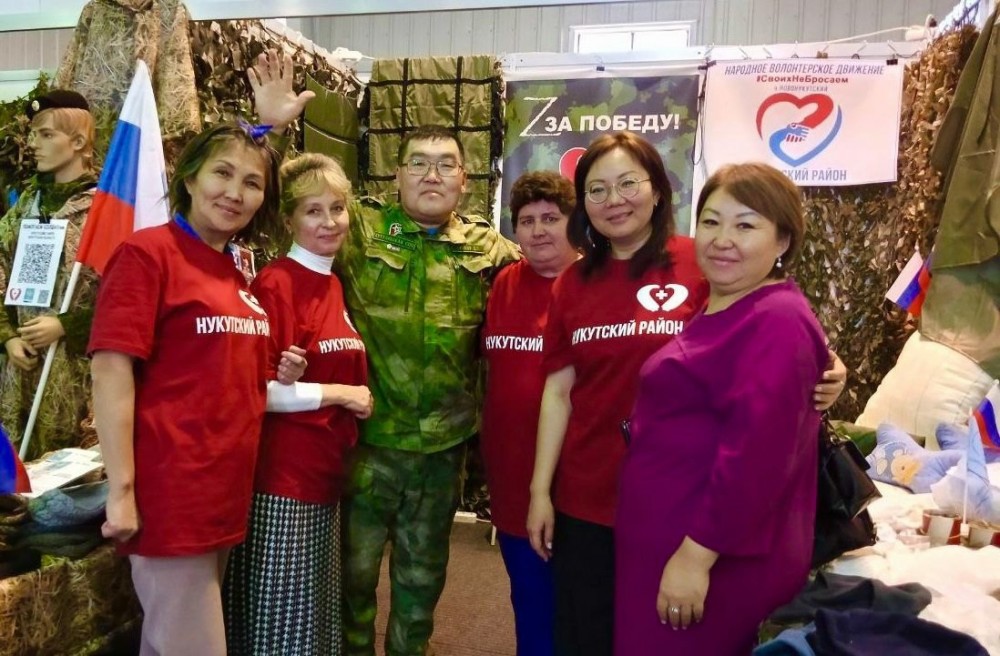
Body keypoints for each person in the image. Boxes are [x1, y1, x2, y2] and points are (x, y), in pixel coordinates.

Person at [525, 132, 846, 656]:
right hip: (594, 493)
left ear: (657, 190)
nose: (614, 200)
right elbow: (558, 391)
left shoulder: (704, 262)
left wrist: (831, 368)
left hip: (695, 512)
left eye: (628, 183)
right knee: (590, 632)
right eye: (597, 189)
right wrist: (541, 490)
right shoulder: (573, 283)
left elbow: (775, 352)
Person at [88, 51, 313, 656]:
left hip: (223, 493)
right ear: (188, 178)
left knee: (169, 642)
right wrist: (123, 488)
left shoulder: (233, 270)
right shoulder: (148, 254)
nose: (234, 193)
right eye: (221, 174)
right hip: (171, 494)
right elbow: (110, 370)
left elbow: (215, 368)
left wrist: (276, 366)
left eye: (252, 183)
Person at [614, 162, 828, 655]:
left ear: (782, 241)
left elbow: (757, 460)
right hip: (667, 537)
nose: (722, 239)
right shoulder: (724, 301)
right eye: (711, 222)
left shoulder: (777, 321)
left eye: (745, 225)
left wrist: (696, 558)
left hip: (711, 557)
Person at [336, 124, 520, 656]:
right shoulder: (360, 229)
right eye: (418, 163)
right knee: (353, 576)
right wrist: (266, 130)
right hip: (367, 445)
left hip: (441, 452)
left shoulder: (488, 248)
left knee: (422, 579)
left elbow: (555, 275)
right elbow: (293, 207)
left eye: (445, 165)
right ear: (397, 176)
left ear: (464, 180)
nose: (431, 175)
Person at [224, 153, 373, 655]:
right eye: (313, 211)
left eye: (337, 208)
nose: (329, 222)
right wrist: (341, 394)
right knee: (281, 627)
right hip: (284, 482)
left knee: (310, 621)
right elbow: (256, 392)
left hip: (323, 476)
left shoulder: (332, 281)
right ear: (288, 220)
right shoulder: (277, 284)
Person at [481, 171, 579, 656]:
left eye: (551, 218)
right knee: (530, 605)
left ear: (573, 223)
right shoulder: (503, 283)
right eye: (526, 221)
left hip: (577, 485)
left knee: (579, 614)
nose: (538, 230)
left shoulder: (593, 285)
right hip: (512, 478)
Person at [0, 90, 98, 460]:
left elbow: (129, 295)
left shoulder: (104, 210)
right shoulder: (25, 206)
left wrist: (67, 325)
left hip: (79, 377)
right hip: (20, 375)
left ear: (78, 142)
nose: (32, 144)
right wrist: (7, 337)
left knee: (73, 473)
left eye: (45, 134)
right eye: (32, 134)